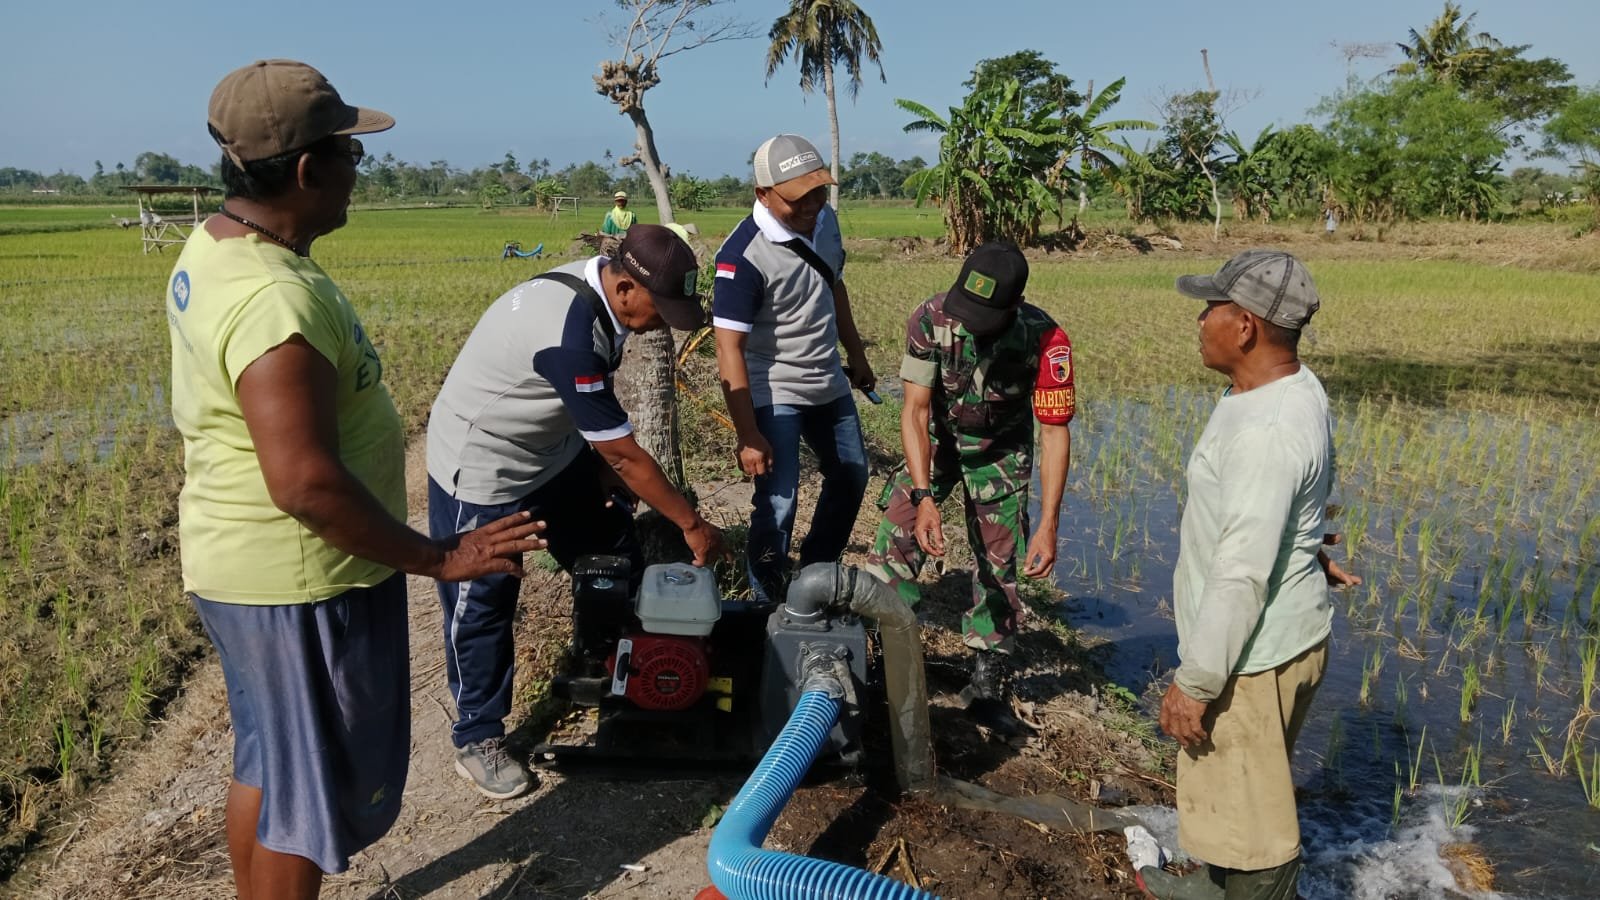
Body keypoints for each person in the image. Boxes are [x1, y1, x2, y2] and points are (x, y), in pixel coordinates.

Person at [168, 60, 546, 899]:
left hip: (245, 568)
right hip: (300, 584)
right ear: (309, 170)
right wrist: (440, 558)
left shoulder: (217, 244)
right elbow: (305, 484)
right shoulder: (273, 301)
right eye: (352, 155)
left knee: (272, 763)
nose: (356, 172)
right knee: (308, 798)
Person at [427, 223, 728, 799]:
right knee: (485, 597)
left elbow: (593, 428)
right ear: (625, 288)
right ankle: (478, 736)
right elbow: (624, 454)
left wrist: (595, 467)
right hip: (486, 468)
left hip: (551, 452)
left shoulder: (600, 297)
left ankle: (615, 660)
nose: (663, 322)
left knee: (608, 545)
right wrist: (691, 524)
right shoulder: (569, 331)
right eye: (661, 309)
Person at [1144, 250, 1360, 900]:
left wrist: (1196, 684)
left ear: (1245, 327)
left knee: (1260, 838)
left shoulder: (1266, 428)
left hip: (1253, 659)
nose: (1200, 321)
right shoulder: (1286, 388)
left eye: (1211, 308)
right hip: (1286, 637)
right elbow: (1289, 506)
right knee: (1238, 795)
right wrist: (1309, 548)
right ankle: (1212, 884)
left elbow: (1240, 574)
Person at [863, 242, 1075, 735]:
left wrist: (1048, 524)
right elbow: (915, 411)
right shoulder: (929, 319)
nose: (970, 324)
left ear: (1013, 306)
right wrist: (923, 497)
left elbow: (1054, 433)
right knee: (895, 542)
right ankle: (882, 657)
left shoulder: (1047, 340)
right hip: (936, 441)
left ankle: (987, 679)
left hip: (1000, 451)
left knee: (998, 565)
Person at [713, 133, 873, 602]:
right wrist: (748, 434)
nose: (812, 205)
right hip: (774, 387)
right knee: (779, 502)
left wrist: (856, 354)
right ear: (763, 194)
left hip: (828, 379)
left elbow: (834, 284)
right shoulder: (742, 256)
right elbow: (728, 348)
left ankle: (815, 577)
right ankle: (767, 599)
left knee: (852, 474)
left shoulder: (826, 221)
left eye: (818, 191)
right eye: (798, 197)